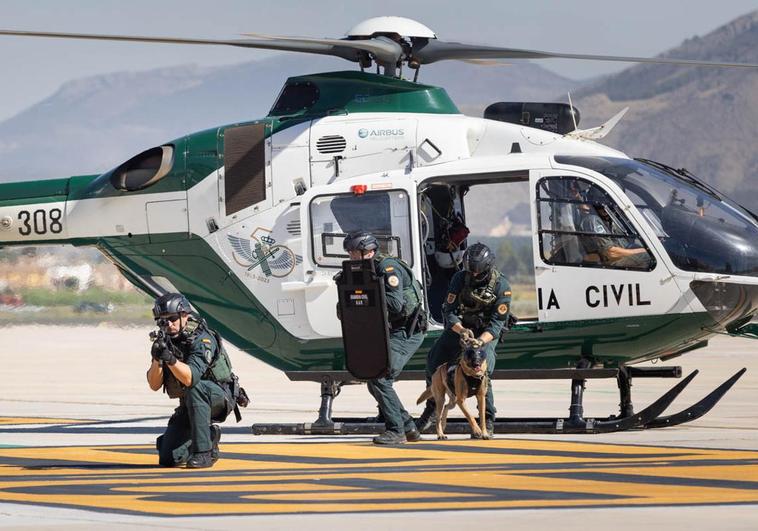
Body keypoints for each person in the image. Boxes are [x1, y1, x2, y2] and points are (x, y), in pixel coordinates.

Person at [416, 243, 512, 438]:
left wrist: (479, 342)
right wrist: (461, 331)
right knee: (434, 360)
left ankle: (488, 419)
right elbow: (449, 311)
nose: (473, 275)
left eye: (477, 272)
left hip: (485, 333)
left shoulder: (502, 285)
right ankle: (433, 409)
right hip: (461, 329)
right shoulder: (460, 278)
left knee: (483, 369)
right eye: (470, 271)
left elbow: (496, 325)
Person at [341, 231, 427, 445]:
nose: (351, 256)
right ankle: (408, 427)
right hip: (391, 330)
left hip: (408, 331)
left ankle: (396, 431)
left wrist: (364, 295)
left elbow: (395, 304)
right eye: (349, 252)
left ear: (368, 252)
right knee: (374, 379)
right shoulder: (365, 269)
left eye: (354, 252)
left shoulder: (388, 268)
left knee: (381, 378)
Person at [147, 293, 238, 468]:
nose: (168, 325)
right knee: (168, 459)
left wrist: (171, 359)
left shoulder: (202, 339)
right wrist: (158, 358)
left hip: (217, 398)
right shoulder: (166, 341)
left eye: (172, 319)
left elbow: (190, 378)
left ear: (185, 316)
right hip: (190, 404)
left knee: (196, 388)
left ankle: (203, 452)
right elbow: (154, 385)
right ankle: (209, 436)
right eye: (162, 321)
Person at [576, 190, 651, 269]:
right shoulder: (592, 220)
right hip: (607, 264)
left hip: (618, 257)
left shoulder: (611, 219)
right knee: (647, 257)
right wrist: (643, 251)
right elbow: (610, 253)